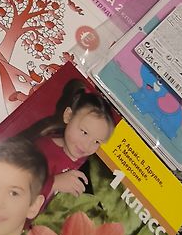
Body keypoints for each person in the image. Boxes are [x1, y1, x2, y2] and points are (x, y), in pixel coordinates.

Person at [20, 79, 115, 209]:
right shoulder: (41, 151)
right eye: (84, 132)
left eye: (97, 141)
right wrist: (55, 183)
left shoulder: (82, 156)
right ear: (68, 116)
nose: (87, 146)